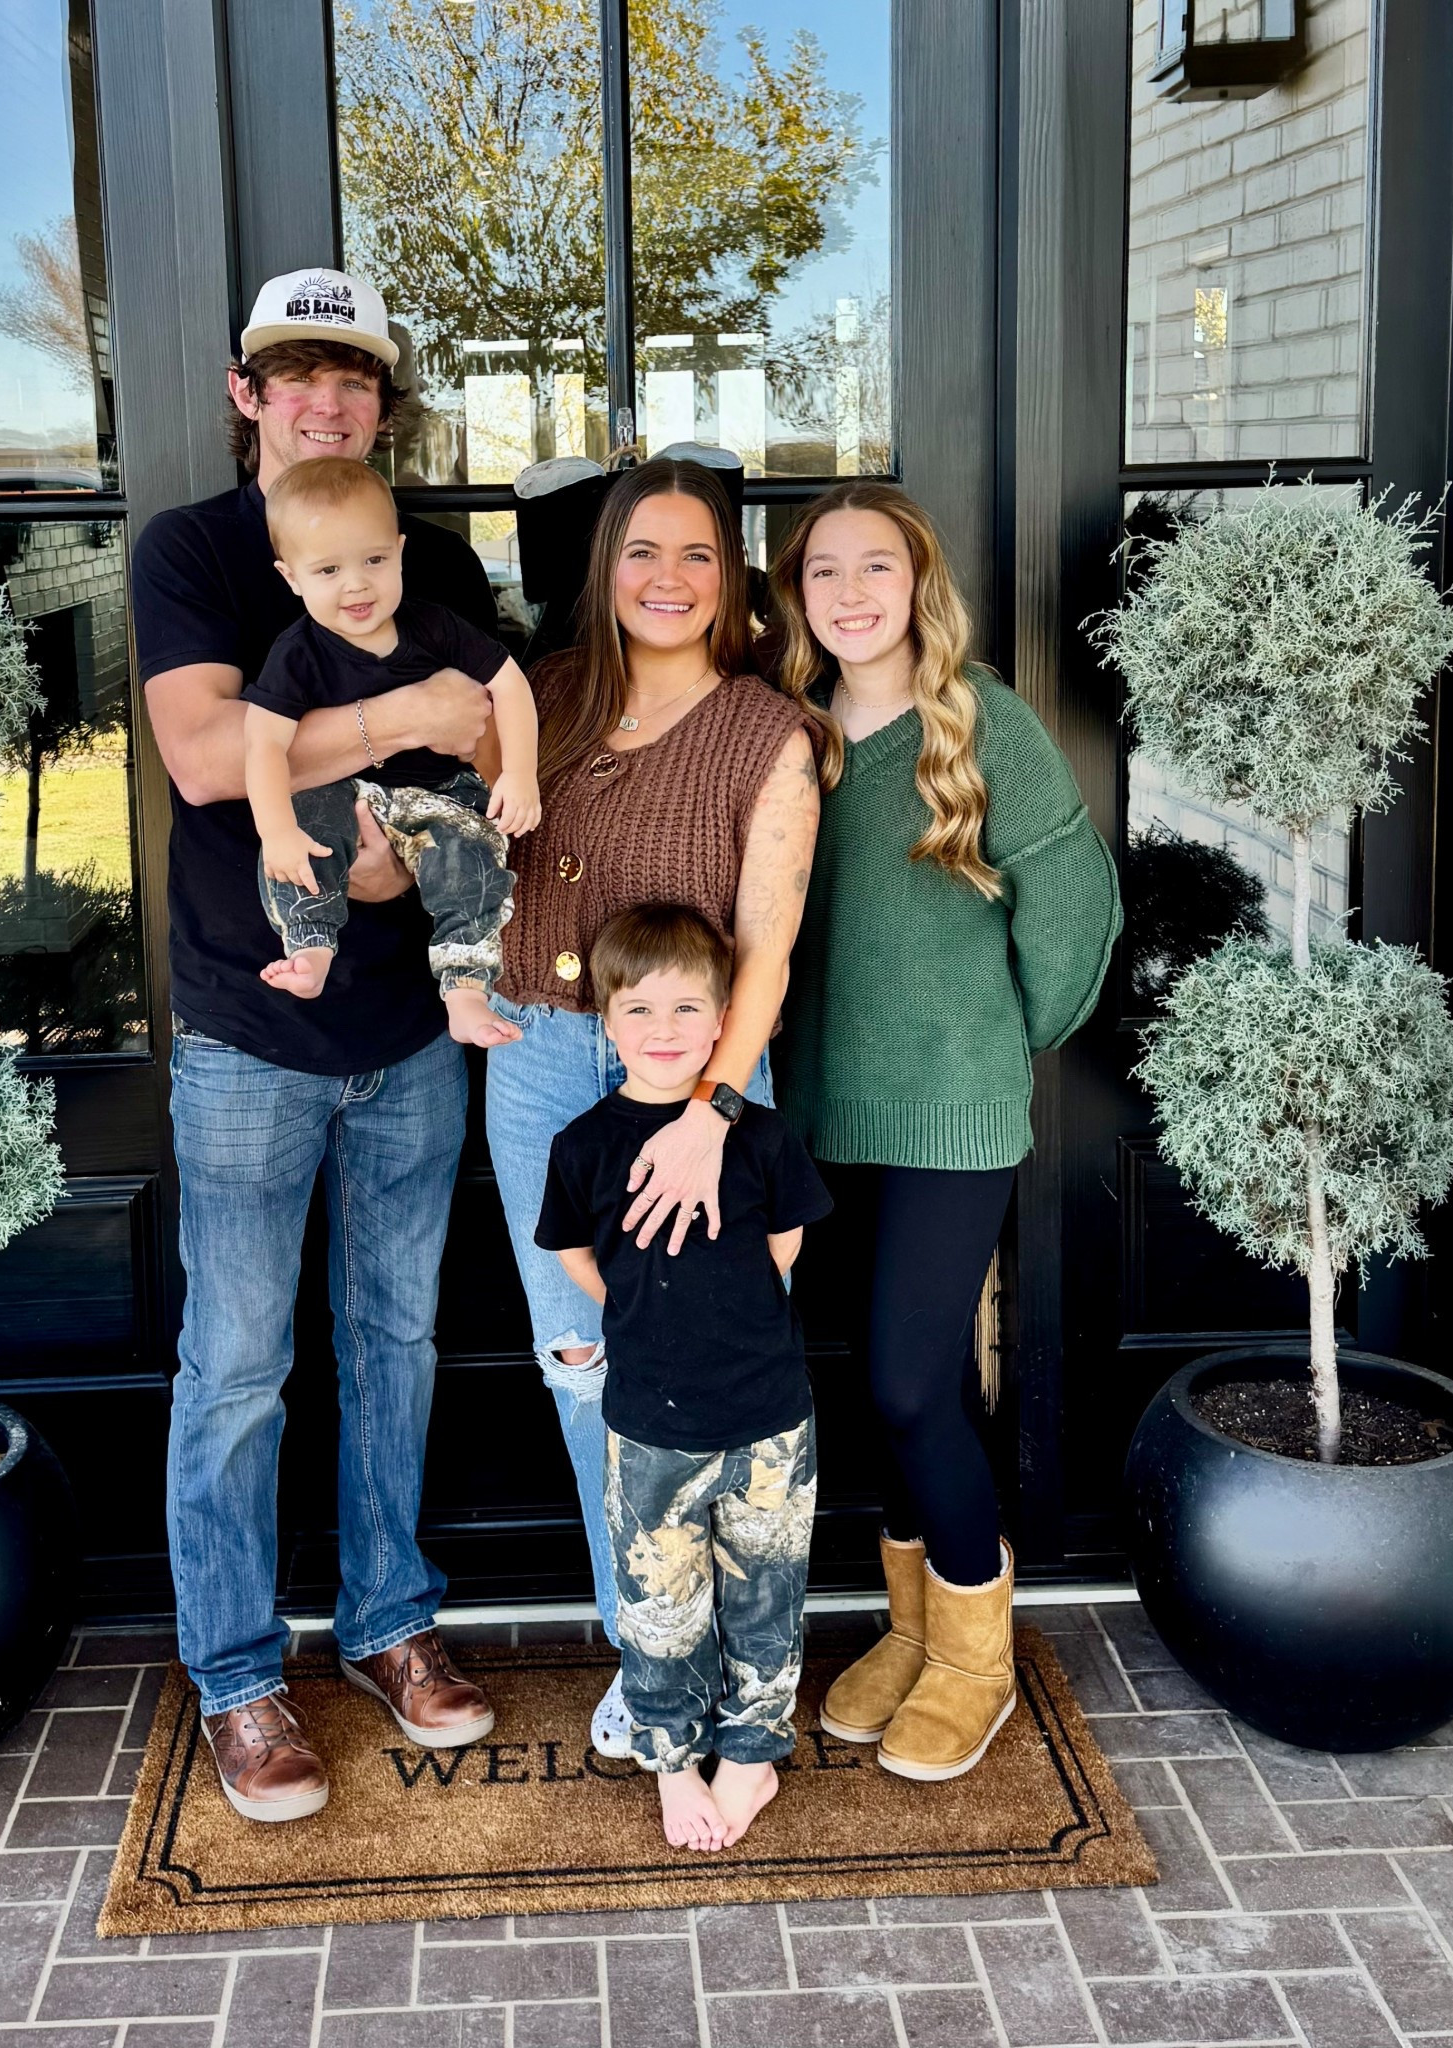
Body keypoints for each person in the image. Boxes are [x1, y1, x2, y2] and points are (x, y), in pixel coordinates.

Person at [131, 267, 501, 1824]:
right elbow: (210, 758)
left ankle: (389, 1630)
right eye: (294, 373)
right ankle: (235, 1677)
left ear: (380, 402)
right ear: (245, 392)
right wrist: (399, 710)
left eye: (350, 378)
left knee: (394, 1344)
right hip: (247, 1028)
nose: (323, 399)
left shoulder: (439, 555)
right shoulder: (196, 551)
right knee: (235, 1365)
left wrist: (419, 738)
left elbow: (484, 736)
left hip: (411, 1023)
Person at [767, 480, 1121, 1782]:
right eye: (823, 573)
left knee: (915, 1381)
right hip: (819, 1108)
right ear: (794, 595)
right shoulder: (791, 733)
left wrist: (998, 1036)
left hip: (951, 1113)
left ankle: (978, 1657)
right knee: (882, 1381)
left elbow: (1073, 903)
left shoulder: (979, 722)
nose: (852, 594)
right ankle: (916, 1633)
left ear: (921, 582)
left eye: (878, 567)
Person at [484, 458, 824, 1757]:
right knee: (584, 1368)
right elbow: (446, 837)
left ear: (728, 576)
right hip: (538, 1069)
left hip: (699, 1084)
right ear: (603, 569)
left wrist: (713, 1110)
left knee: (701, 1367)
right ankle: (649, 1652)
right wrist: (455, 968)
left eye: (694, 554)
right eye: (641, 553)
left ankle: (740, 1658)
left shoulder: (765, 732)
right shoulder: (546, 700)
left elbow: (769, 943)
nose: (666, 579)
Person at [537, 905, 831, 1851]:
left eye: (686, 1009)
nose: (662, 1031)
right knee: (660, 1609)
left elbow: (781, 1248)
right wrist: (637, 1304)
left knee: (765, 1597)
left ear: (723, 1023)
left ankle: (750, 1755)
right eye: (639, 1010)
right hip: (650, 1426)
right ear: (604, 1020)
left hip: (769, 1420)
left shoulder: (764, 1139)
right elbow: (576, 1254)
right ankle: (672, 1760)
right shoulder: (584, 1145)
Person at [244, 456, 540, 1045]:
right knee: (306, 832)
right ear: (291, 577)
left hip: (436, 792)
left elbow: (510, 684)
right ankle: (311, 949)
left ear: (400, 552)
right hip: (345, 790)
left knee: (473, 852)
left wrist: (520, 773)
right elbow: (262, 744)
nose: (356, 584)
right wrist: (274, 828)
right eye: (328, 569)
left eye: (374, 560)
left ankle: (465, 988)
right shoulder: (298, 652)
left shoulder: (433, 626)